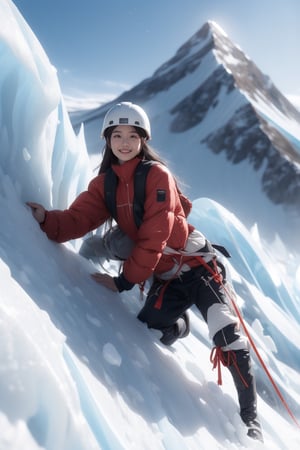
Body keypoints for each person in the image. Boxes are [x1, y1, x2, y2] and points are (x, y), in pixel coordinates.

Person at [27, 102, 263, 442]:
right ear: (108, 140)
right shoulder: (105, 185)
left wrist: (123, 281)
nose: (124, 142)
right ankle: (179, 325)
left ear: (143, 139)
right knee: (151, 327)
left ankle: (250, 420)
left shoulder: (157, 176)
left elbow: (156, 234)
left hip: (197, 267)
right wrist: (47, 220)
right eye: (117, 135)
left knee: (226, 333)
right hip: (166, 278)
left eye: (132, 135)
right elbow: (78, 219)